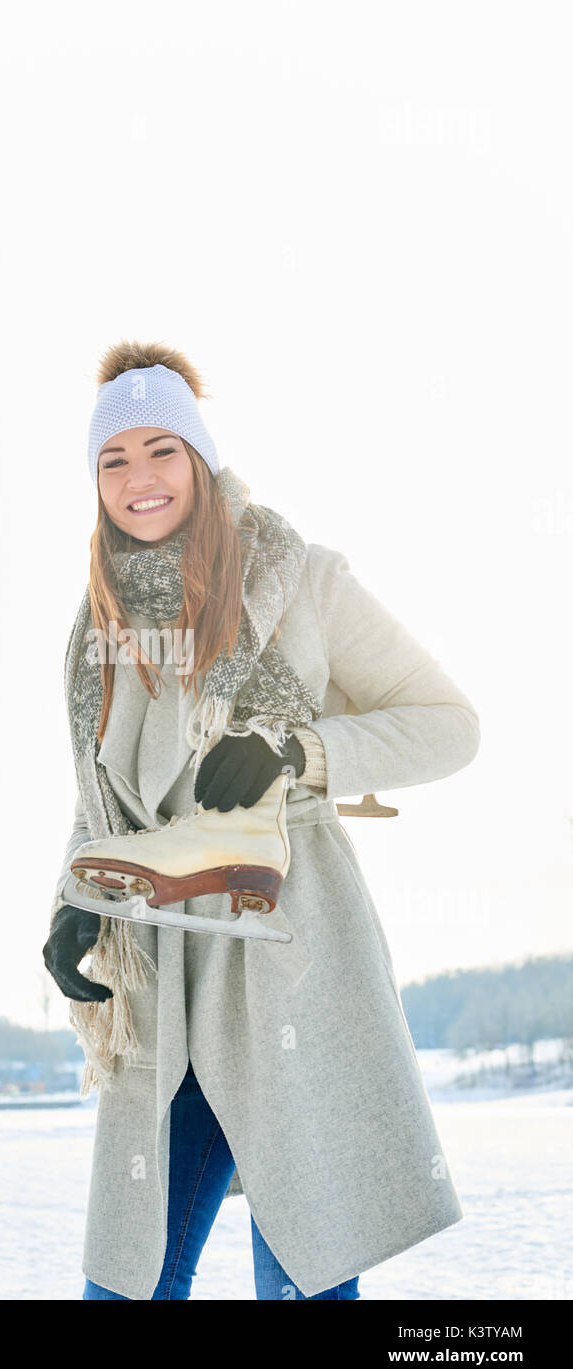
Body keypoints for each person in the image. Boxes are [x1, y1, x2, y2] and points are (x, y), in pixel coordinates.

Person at [44, 340, 480, 1300]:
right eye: (112, 461)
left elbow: (449, 726)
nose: (138, 479)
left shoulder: (304, 580)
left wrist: (301, 752)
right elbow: (100, 806)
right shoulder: (97, 630)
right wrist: (73, 906)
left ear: (197, 459)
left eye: (160, 450)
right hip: (157, 988)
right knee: (122, 1288)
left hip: (287, 967)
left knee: (305, 1279)